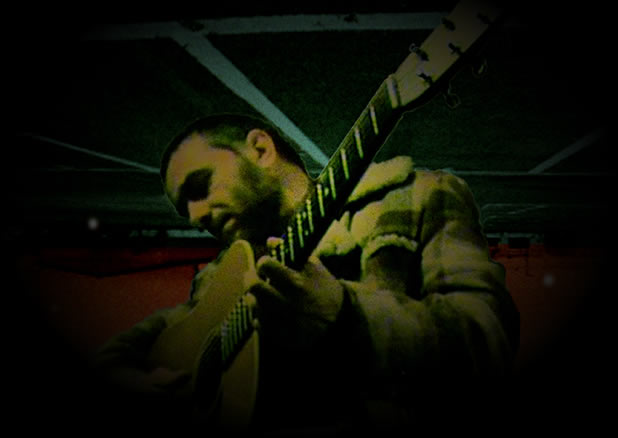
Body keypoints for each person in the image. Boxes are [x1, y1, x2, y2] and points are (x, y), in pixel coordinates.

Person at [95, 113, 519, 434]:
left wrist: (346, 315)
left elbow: (487, 342)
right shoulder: (218, 278)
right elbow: (139, 344)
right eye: (183, 208)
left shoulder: (416, 197)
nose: (195, 215)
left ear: (260, 149)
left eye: (199, 187)